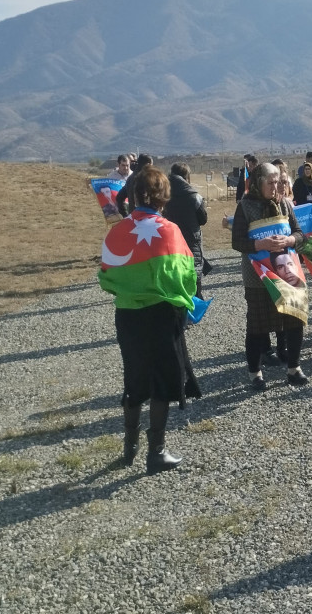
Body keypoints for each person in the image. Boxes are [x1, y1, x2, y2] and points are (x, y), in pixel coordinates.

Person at [98, 166, 200, 473]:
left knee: (134, 377)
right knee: (161, 381)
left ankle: (129, 447)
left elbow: (106, 277)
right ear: (162, 197)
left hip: (128, 316)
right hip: (162, 316)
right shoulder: (170, 231)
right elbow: (187, 276)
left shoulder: (116, 232)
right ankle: (156, 451)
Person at [232, 162, 310, 389]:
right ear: (258, 182)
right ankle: (255, 373)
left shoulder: (285, 204)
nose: (275, 187)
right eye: (270, 182)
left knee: (294, 319)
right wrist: (260, 244)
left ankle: (294, 369)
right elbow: (237, 241)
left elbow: (300, 234)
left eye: (278, 182)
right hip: (258, 277)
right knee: (258, 325)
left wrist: (290, 240)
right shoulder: (245, 207)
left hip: (287, 273)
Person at [163, 163, 209, 298]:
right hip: (191, 240)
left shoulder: (162, 194)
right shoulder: (193, 195)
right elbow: (203, 219)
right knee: (194, 278)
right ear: (186, 176)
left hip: (169, 241)